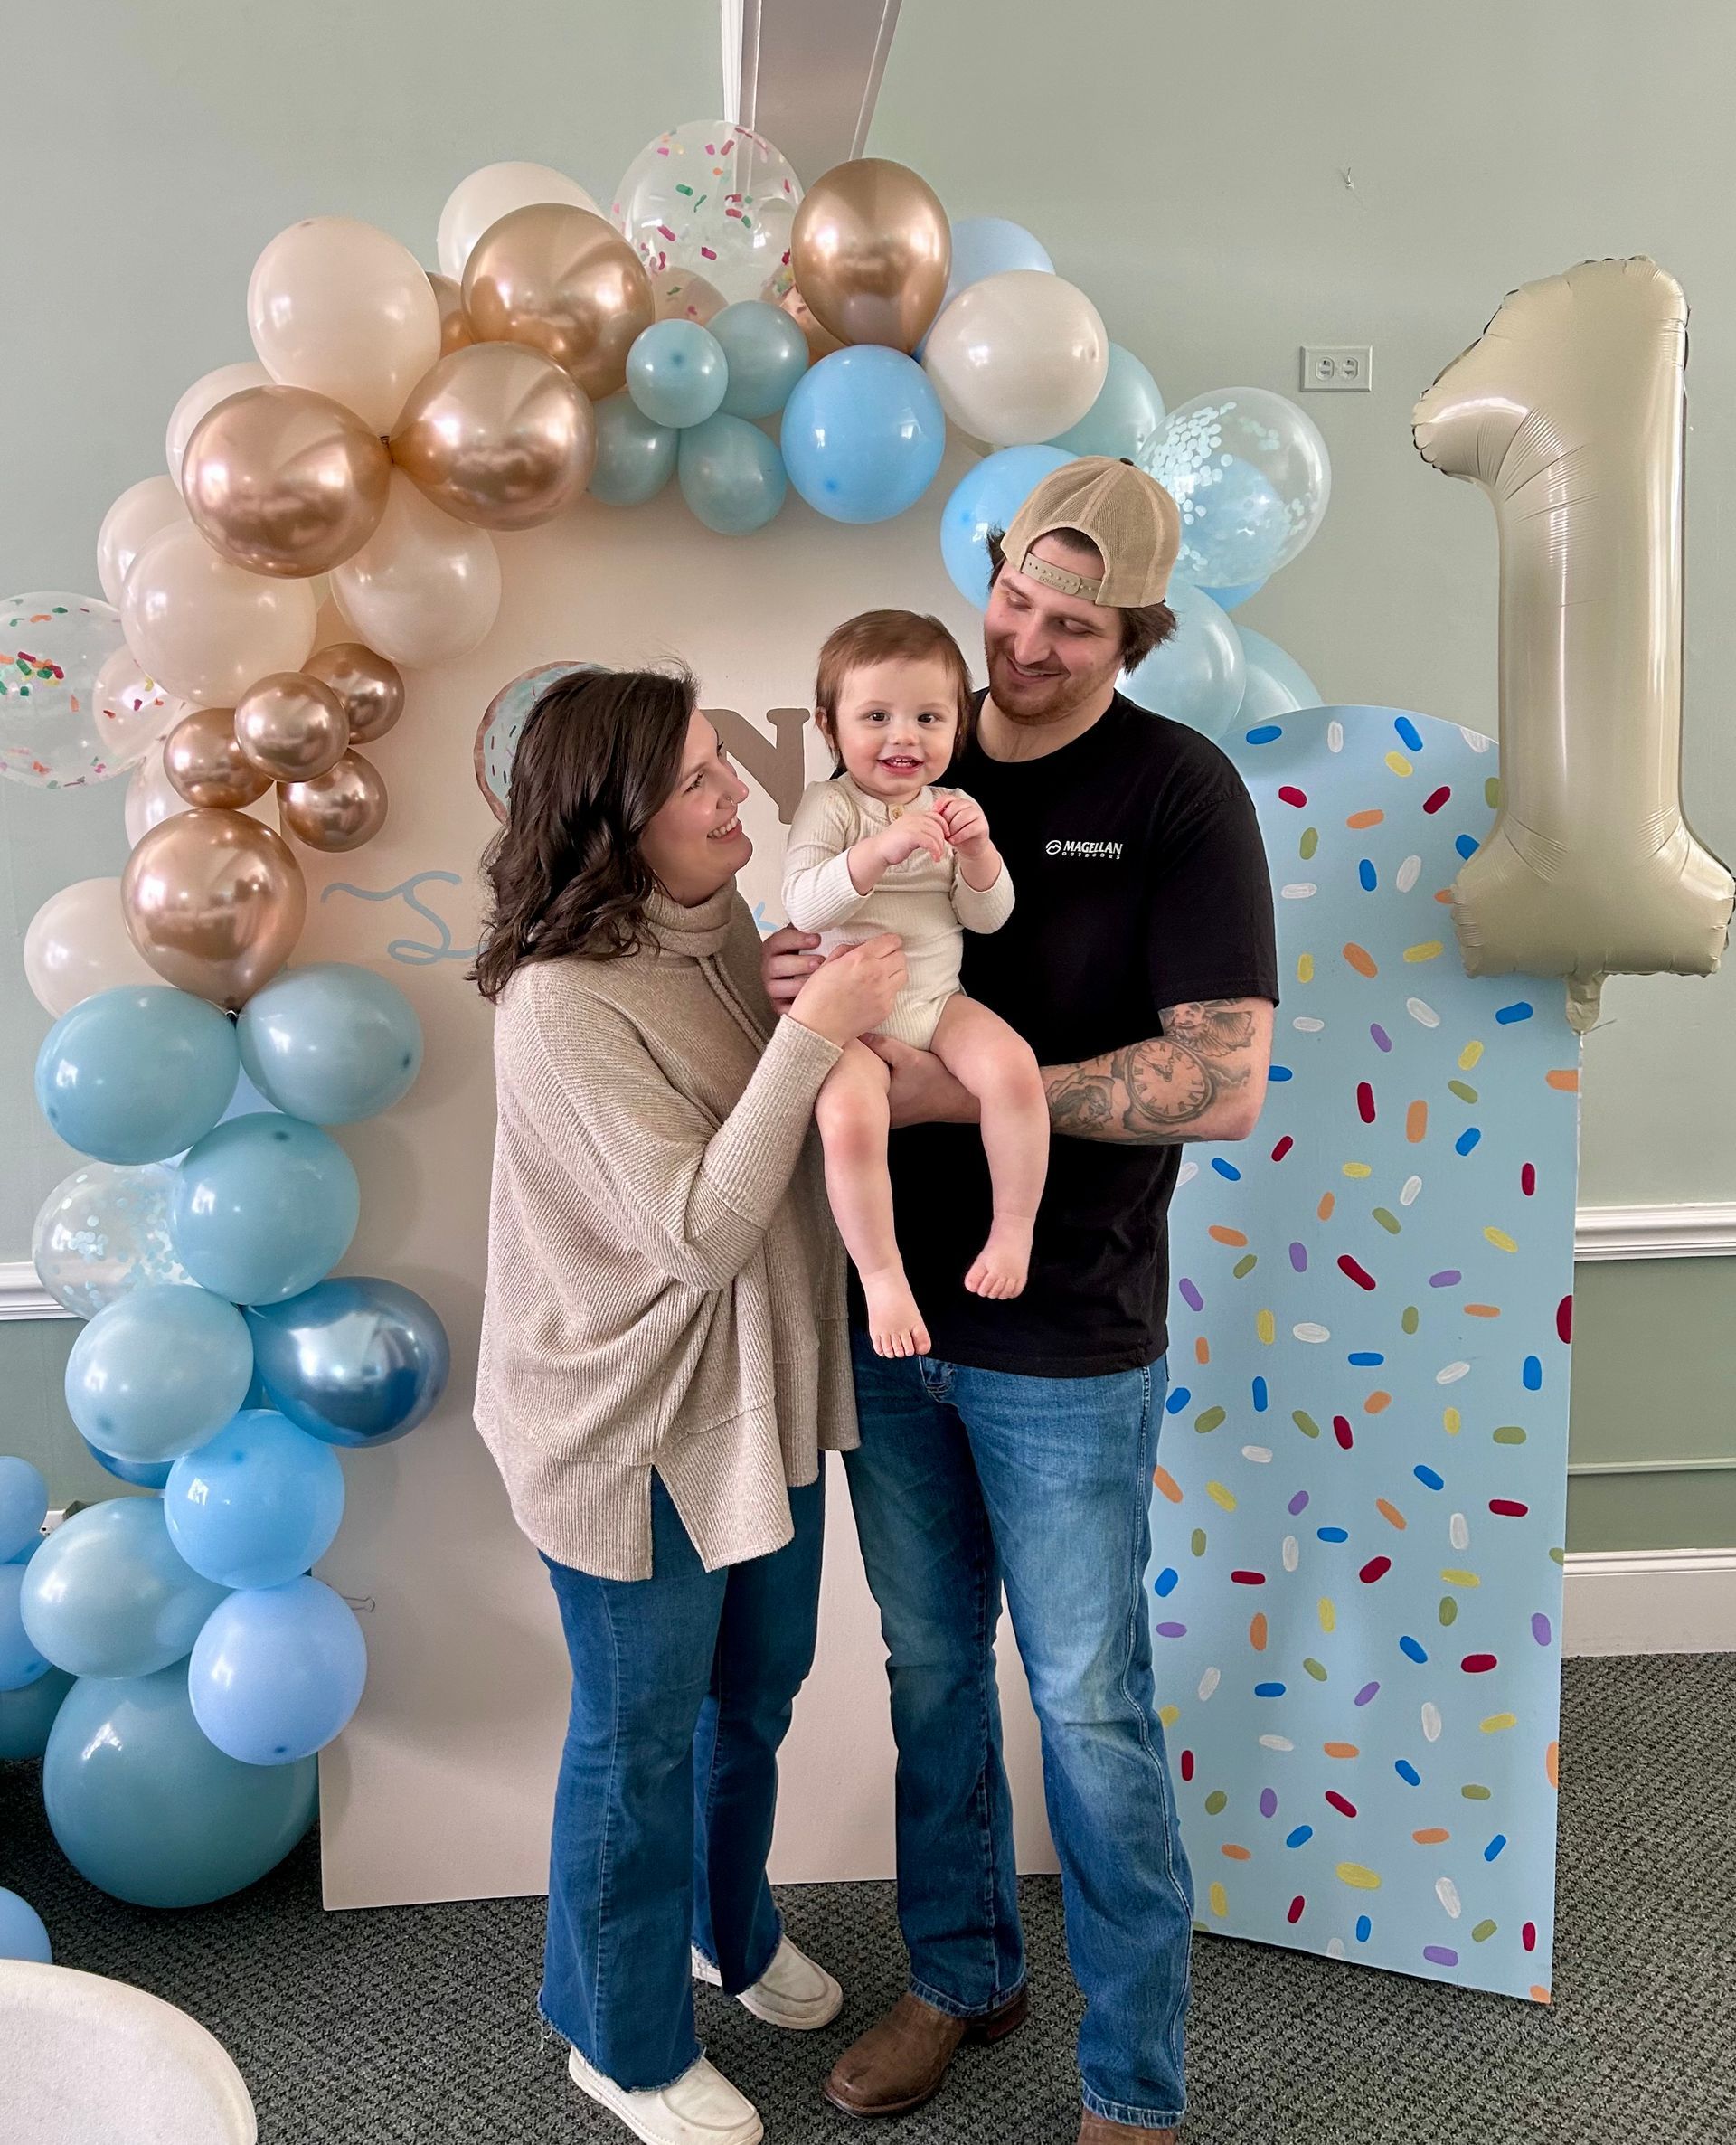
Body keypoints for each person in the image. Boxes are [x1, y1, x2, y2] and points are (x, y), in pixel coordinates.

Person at [764, 458, 1279, 2144]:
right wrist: (799, 985)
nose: (1031, 642)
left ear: (1133, 630)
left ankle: (1133, 2081)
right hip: (894, 1317)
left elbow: (1222, 1079)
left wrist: (962, 1095)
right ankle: (960, 1971)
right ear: (987, 575)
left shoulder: (1178, 789)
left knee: (1089, 1705)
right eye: (1017, 601)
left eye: (1076, 621)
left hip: (1070, 1335)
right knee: (926, 1669)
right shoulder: (905, 739)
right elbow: (802, 920)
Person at [472, 666, 906, 2145]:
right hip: (628, 1422)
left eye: (732, 767)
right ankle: (622, 2037)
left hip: (760, 1396)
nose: (745, 800)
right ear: (615, 824)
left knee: (755, 1693)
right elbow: (695, 1231)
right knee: (638, 1738)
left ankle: (729, 1925)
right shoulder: (556, 1005)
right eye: (704, 784)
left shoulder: (719, 926)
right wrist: (814, 1031)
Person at [782, 609, 1048, 1358]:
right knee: (852, 1125)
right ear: (830, 729)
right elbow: (804, 903)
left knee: (1014, 1071)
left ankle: (1013, 1231)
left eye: (928, 717)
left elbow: (989, 918)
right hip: (849, 1023)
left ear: (957, 726)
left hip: (937, 1003)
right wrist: (881, 850)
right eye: (877, 717)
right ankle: (882, 1275)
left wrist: (979, 854)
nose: (904, 737)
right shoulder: (829, 806)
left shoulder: (956, 807)